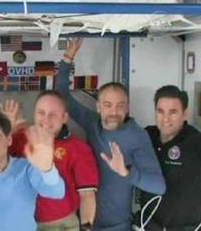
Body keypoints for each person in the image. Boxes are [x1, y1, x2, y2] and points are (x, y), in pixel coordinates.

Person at [55, 39, 166, 231]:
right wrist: (68, 57)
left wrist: (126, 172)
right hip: (86, 222)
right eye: (107, 105)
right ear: (98, 107)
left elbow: (159, 186)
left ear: (127, 107)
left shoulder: (137, 135)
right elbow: (62, 95)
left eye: (120, 106)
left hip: (118, 226)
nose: (114, 111)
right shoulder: (91, 122)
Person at [0, 91, 99, 231]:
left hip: (60, 225)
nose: (46, 120)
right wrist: (7, 129)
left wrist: (86, 228)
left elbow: (87, 195)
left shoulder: (79, 149)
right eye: (41, 112)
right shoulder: (20, 138)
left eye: (53, 114)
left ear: (64, 117)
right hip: (21, 222)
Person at [135, 85, 201, 231]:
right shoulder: (146, 136)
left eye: (173, 112)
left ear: (184, 114)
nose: (165, 118)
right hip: (147, 226)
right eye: (160, 111)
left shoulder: (196, 142)